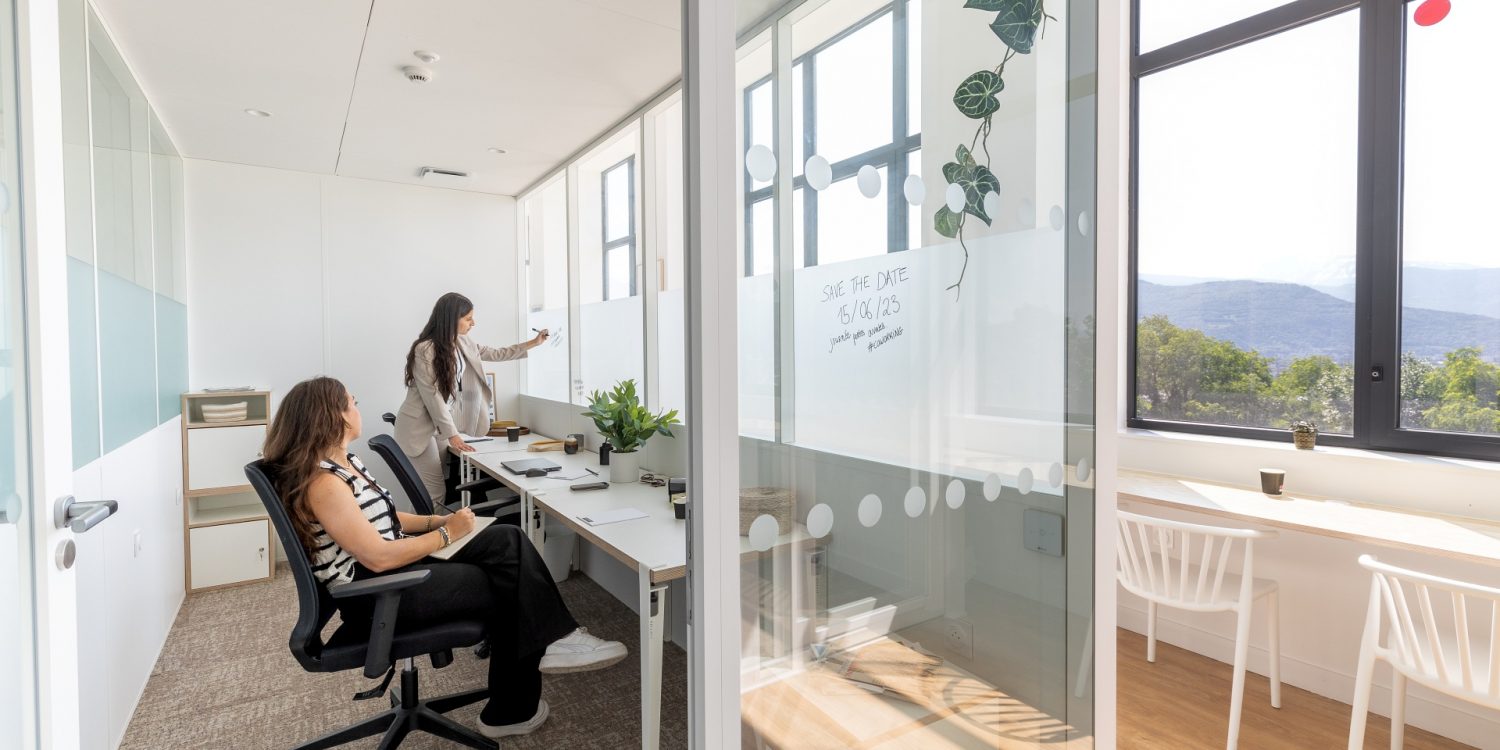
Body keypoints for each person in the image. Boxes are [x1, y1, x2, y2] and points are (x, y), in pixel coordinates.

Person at [263, 376, 625, 738]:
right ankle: (513, 706)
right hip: (378, 593)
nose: (358, 408)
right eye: (352, 402)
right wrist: (445, 535)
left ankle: (554, 643)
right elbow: (378, 557)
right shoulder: (324, 483)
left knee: (506, 538)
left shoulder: (344, 462)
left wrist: (439, 521)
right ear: (335, 416)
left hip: (392, 571)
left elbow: (384, 517)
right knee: (508, 583)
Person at [395, 292, 548, 502]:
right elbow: (433, 397)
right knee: (434, 493)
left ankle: (421, 531)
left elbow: (496, 353)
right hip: (419, 429)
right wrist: (453, 434)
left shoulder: (462, 343)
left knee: (429, 494)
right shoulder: (425, 349)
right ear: (451, 319)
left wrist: (533, 343)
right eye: (468, 319)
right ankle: (430, 533)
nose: (472, 323)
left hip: (438, 428)